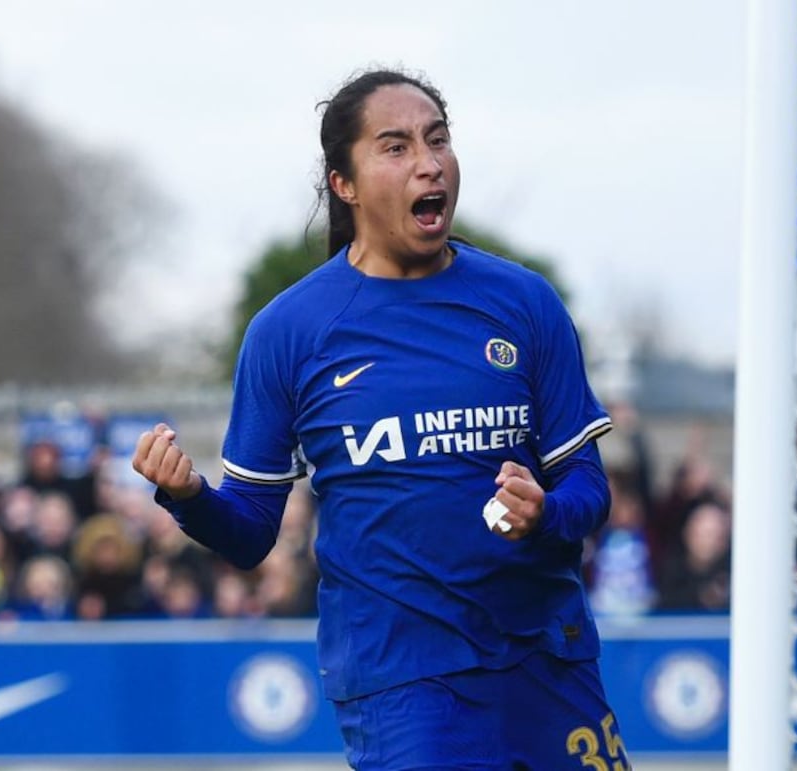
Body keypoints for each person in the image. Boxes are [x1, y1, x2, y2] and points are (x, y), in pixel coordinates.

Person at [132, 68, 628, 770]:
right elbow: (248, 534)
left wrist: (546, 511)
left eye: (438, 140)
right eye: (395, 147)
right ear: (345, 183)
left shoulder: (525, 302)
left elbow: (588, 485)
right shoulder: (291, 332)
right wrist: (188, 496)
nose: (428, 162)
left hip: (549, 656)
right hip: (404, 683)